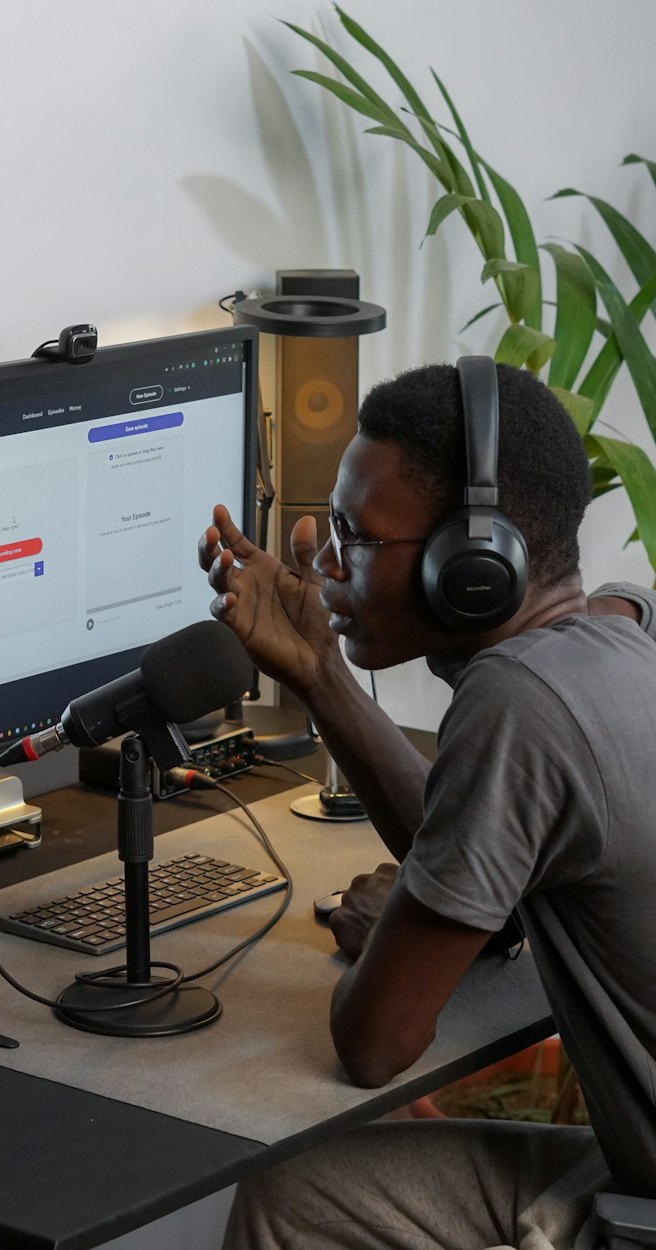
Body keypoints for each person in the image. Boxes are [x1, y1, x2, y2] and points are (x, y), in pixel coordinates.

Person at [198, 360, 656, 1250]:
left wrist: (398, 933)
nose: (326, 561)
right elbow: (502, 852)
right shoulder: (631, 623)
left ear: (474, 564)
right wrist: (320, 675)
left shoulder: (518, 704)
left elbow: (375, 1042)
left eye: (355, 537)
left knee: (290, 1204)